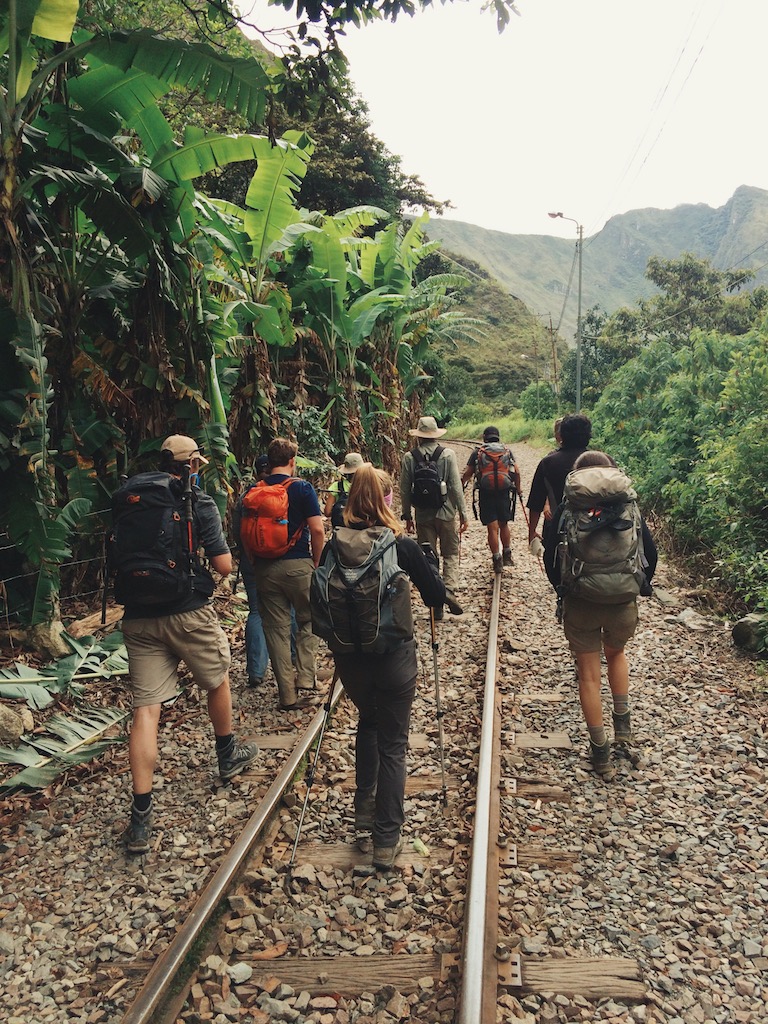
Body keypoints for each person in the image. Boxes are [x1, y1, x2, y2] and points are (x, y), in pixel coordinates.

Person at [120, 435, 259, 854]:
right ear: (193, 464)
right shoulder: (195, 500)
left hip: (138, 615)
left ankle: (140, 818)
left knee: (146, 709)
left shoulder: (131, 496)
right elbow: (222, 565)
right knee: (216, 679)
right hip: (187, 610)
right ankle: (227, 754)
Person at [319, 463, 446, 870]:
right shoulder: (400, 545)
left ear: (352, 499)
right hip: (393, 660)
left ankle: (363, 809)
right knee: (393, 743)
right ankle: (386, 839)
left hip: (350, 662)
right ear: (387, 500)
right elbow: (435, 595)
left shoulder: (332, 545)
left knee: (368, 724)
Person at [544, 450, 657, 777]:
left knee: (589, 674)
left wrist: (562, 591)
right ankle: (623, 728)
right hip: (622, 600)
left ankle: (600, 752)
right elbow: (650, 552)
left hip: (581, 601)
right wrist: (639, 586)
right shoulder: (628, 505)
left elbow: (551, 559)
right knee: (617, 653)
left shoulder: (569, 508)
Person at [249, 438, 325, 711]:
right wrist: (317, 563)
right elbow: (317, 530)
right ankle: (306, 679)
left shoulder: (255, 490)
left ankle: (287, 696)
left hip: (265, 569)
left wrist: (255, 563)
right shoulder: (302, 488)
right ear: (292, 461)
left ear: (269, 463)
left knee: (276, 631)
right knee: (310, 619)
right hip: (298, 567)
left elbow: (245, 532)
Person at [233, 455, 296, 688]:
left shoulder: (246, 497)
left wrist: (248, 555)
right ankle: (292, 662)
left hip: (253, 563)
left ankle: (256, 671)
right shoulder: (287, 491)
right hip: (282, 560)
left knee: (257, 612)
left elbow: (236, 532)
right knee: (288, 610)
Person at [399, 415, 467, 618]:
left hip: (423, 514)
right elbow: (455, 486)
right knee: (451, 553)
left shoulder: (410, 457)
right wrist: (463, 514)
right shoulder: (447, 454)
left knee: (429, 557)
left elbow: (404, 489)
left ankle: (436, 605)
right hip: (446, 513)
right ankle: (449, 591)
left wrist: (407, 515)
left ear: (419, 436)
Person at [461, 425, 522, 573]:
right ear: (498, 437)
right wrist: (519, 489)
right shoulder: (506, 451)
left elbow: (468, 473)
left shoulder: (478, 452)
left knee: (492, 527)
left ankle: (497, 559)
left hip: (486, 492)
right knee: (504, 524)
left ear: (484, 437)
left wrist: (462, 485)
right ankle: (507, 553)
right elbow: (517, 472)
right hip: (503, 491)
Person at [527, 412, 592, 550]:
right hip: (597, 527)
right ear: (588, 435)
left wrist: (531, 532)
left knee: (552, 564)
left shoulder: (548, 462)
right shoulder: (602, 460)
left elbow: (535, 503)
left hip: (558, 529)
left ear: (561, 435)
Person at [324, 452, 365, 529]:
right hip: (361, 531)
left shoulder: (336, 486)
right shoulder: (367, 485)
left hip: (341, 533)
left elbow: (327, 512)